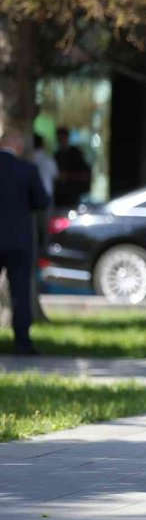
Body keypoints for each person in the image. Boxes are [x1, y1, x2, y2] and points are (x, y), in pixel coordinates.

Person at [0, 125, 50, 356]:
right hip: (18, 241)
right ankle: (22, 343)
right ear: (18, 145)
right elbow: (41, 202)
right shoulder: (27, 169)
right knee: (20, 292)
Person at [30, 134, 58, 253]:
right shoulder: (47, 159)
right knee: (45, 228)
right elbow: (56, 175)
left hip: (31, 197)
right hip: (46, 196)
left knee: (33, 227)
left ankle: (36, 252)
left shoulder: (29, 159)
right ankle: (44, 254)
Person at [53, 127, 91, 208]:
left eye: (61, 138)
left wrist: (68, 176)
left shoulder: (76, 153)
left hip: (73, 192)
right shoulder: (57, 155)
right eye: (59, 139)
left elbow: (84, 173)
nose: (60, 141)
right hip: (61, 194)